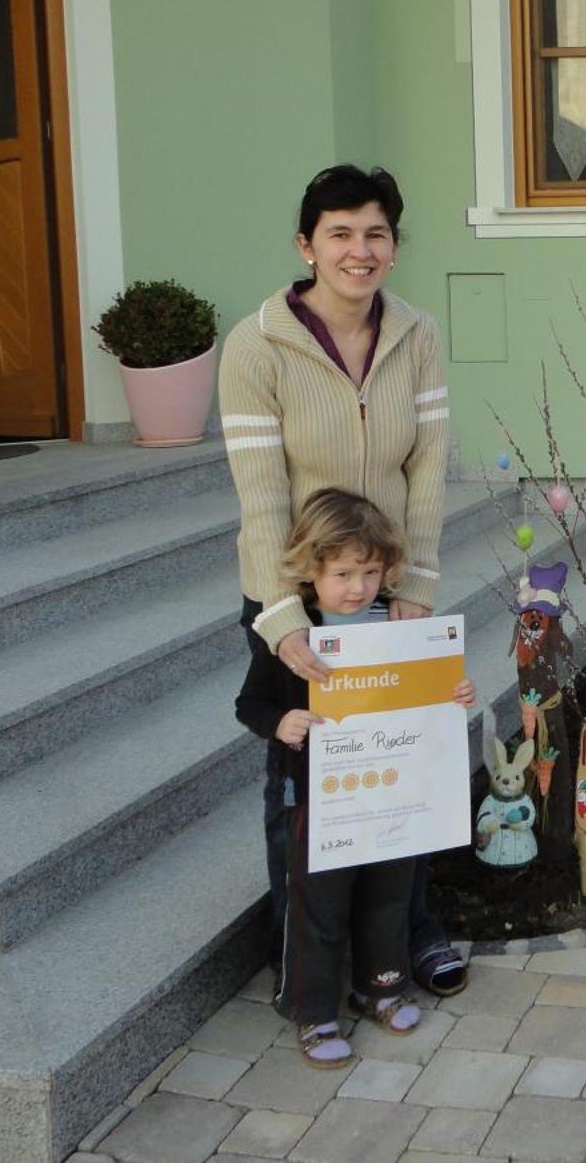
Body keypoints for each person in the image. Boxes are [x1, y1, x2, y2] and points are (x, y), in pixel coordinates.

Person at [218, 164, 467, 999]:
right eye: (340, 234)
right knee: (306, 784)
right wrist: (284, 616)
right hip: (300, 593)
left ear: (394, 248)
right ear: (307, 245)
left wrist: (417, 583)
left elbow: (428, 467)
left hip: (387, 589)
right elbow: (259, 494)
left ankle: (408, 935)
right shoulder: (257, 346)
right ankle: (305, 958)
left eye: (376, 234)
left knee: (405, 767)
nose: (359, 251)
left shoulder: (417, 334)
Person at [233, 490, 476, 1066]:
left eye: (369, 571)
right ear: (308, 570)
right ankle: (313, 1011)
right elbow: (250, 703)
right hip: (319, 800)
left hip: (393, 794)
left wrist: (455, 695)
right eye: (341, 573)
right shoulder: (291, 633)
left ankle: (381, 986)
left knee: (388, 893)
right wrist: (281, 721)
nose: (357, 587)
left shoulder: (395, 622)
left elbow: (427, 691)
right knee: (317, 903)